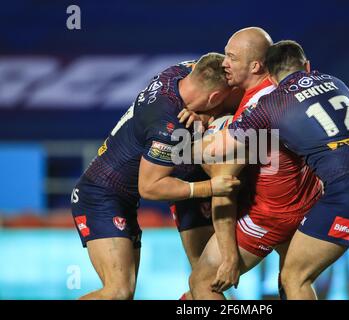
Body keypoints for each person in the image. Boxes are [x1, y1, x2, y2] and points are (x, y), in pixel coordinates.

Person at [222, 40, 349, 300]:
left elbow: (216, 150)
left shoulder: (273, 103)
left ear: (269, 75)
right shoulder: (336, 82)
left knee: (294, 277)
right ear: (307, 65)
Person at [70, 53, 240, 300]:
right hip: (102, 195)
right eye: (220, 100)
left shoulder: (179, 72)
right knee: (119, 292)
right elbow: (149, 188)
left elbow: (214, 82)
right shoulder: (166, 125)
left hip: (166, 179)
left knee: (206, 280)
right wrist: (211, 187)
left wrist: (206, 115)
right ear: (214, 97)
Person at [187, 28, 322, 300]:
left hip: (272, 214)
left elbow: (223, 183)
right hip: (309, 199)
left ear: (255, 65)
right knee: (294, 280)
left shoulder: (257, 111)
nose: (224, 63)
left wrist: (228, 257)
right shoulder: (281, 87)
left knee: (202, 282)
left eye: (231, 57)